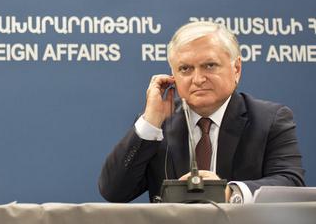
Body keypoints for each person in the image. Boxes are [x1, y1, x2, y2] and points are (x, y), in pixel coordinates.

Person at [98, 21, 305, 203]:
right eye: (185, 69)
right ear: (172, 76)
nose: (198, 79)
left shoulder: (269, 119)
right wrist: (150, 122)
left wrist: (230, 193)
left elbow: (290, 183)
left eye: (210, 65)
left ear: (236, 69)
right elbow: (114, 191)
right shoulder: (158, 126)